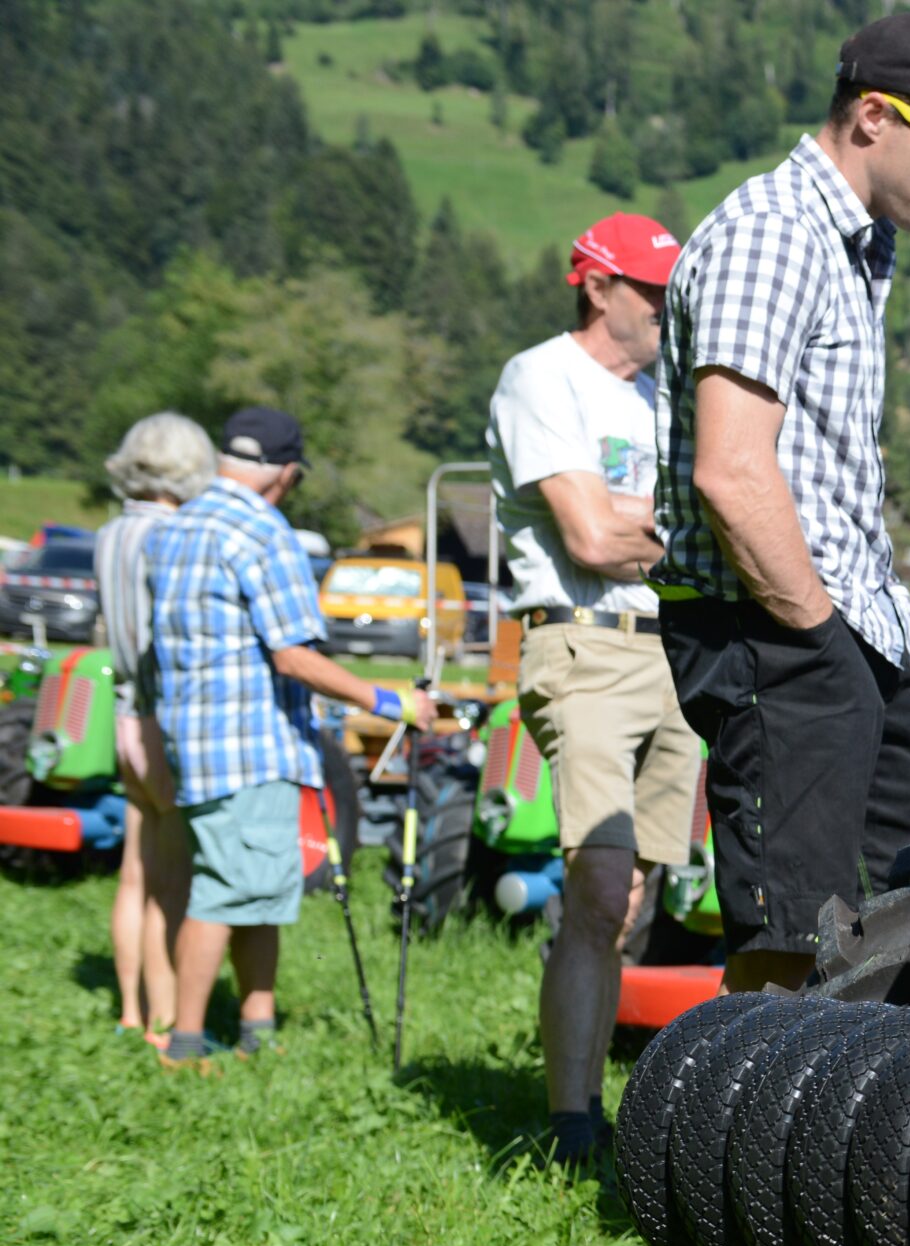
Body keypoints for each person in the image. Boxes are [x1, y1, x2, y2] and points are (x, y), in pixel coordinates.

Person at [654, 10, 910, 994]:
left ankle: (868, 1098)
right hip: (776, 625)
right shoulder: (774, 235)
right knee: (796, 941)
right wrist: (818, 633)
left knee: (900, 921)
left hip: (847, 627)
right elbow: (731, 470)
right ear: (874, 116)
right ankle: (755, 1101)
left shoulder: (856, 245)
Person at [488, 211, 689, 1163]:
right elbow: (594, 539)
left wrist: (646, 519)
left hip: (668, 650)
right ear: (597, 285)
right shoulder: (541, 376)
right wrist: (682, 525)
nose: (665, 307)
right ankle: (570, 1123)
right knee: (602, 885)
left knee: (634, 894)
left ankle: (598, 1101)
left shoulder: (662, 397)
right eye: (651, 289)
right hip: (586, 643)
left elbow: (639, 523)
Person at [147, 407, 427, 1068]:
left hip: (192, 741)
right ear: (287, 473)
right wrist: (390, 701)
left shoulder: (176, 525)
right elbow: (294, 656)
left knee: (258, 890)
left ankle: (258, 1030)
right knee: (223, 893)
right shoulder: (263, 530)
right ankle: (185, 1044)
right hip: (250, 744)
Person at [92, 412, 217, 1044]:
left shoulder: (109, 534)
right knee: (172, 881)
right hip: (162, 720)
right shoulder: (173, 535)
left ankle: (130, 1011)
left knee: (133, 875)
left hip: (122, 716)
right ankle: (165, 1024)